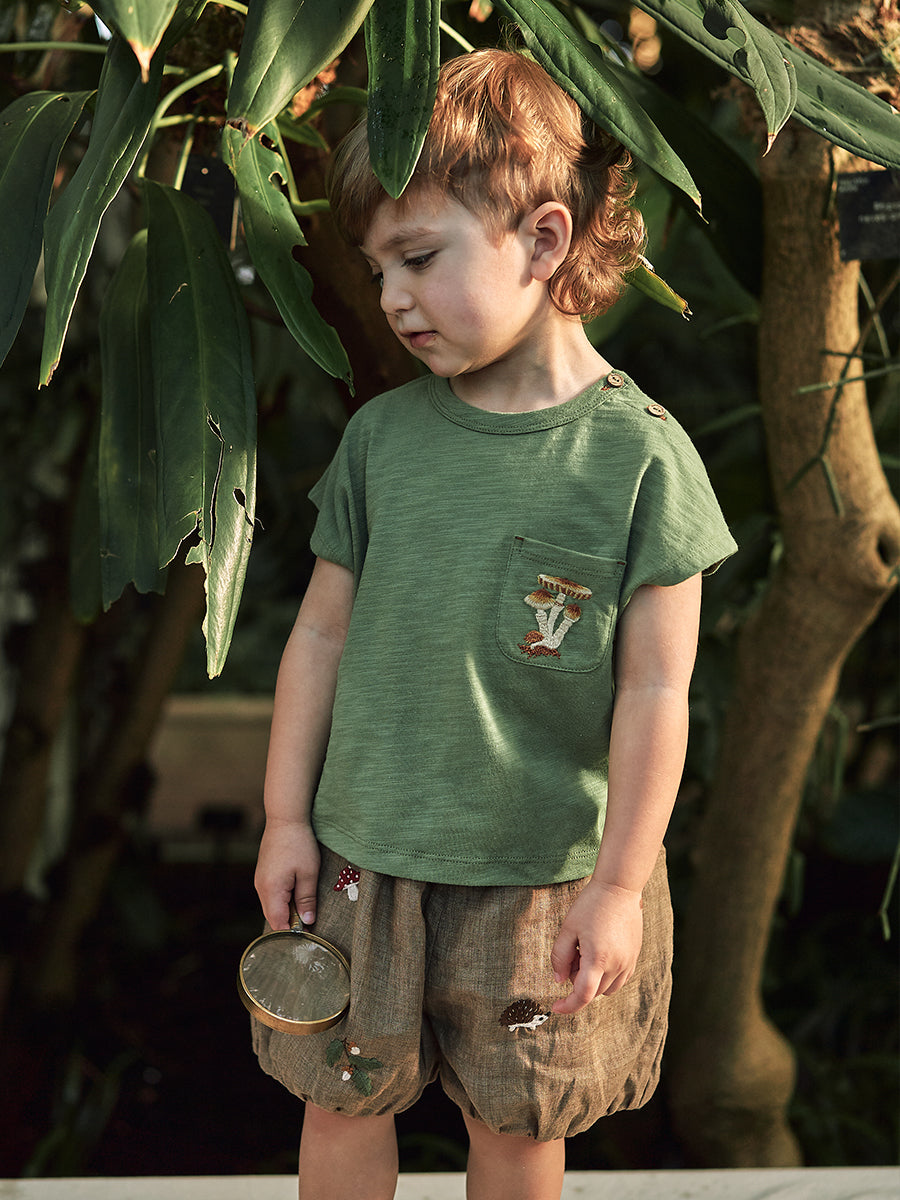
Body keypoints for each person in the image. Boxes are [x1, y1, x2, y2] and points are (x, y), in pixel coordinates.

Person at [252, 47, 737, 1200]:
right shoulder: (382, 442)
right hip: (363, 864)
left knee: (518, 1123)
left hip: (540, 885)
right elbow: (318, 639)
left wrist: (618, 887)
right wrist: (285, 817)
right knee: (339, 1099)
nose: (391, 296)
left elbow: (656, 692)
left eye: (420, 257)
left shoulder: (640, 462)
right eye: (379, 267)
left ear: (545, 239)